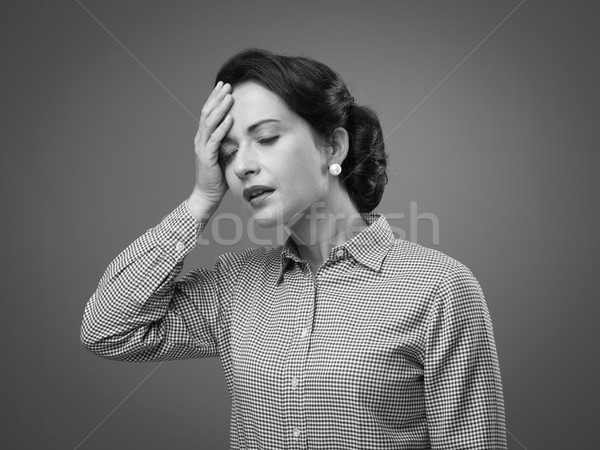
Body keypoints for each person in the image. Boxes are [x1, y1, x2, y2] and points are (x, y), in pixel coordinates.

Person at [81, 48, 506, 449]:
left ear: (332, 147)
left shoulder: (440, 289)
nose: (242, 165)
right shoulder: (235, 283)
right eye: (227, 154)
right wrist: (200, 201)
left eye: (265, 137)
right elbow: (107, 330)